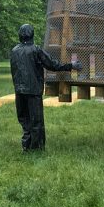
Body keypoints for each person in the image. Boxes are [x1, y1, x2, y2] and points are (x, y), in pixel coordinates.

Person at [9, 23, 77, 151]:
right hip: (33, 91)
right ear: (32, 35)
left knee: (24, 119)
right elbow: (52, 64)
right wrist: (70, 65)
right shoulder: (36, 50)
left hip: (19, 91)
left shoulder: (14, 51)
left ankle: (26, 146)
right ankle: (37, 148)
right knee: (36, 121)